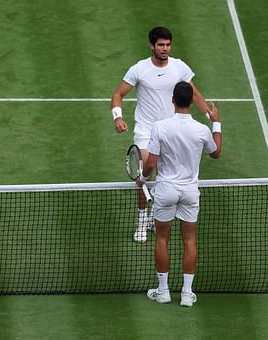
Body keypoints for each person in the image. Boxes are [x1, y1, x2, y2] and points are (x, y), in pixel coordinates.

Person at [111, 26, 213, 243]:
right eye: (160, 45)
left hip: (171, 131)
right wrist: (117, 117)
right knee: (144, 173)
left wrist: (210, 116)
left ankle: (154, 218)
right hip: (146, 131)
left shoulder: (179, 68)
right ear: (152, 46)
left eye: (168, 45)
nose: (165, 49)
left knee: (164, 178)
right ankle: (141, 220)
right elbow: (118, 94)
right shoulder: (139, 69)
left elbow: (195, 94)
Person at [136, 81, 222, 307]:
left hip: (166, 190)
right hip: (190, 192)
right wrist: (216, 123)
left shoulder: (160, 127)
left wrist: (142, 179)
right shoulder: (202, 130)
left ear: (172, 100)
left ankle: (163, 291)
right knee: (190, 240)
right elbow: (216, 153)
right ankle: (186, 294)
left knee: (162, 239)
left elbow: (151, 162)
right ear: (192, 102)